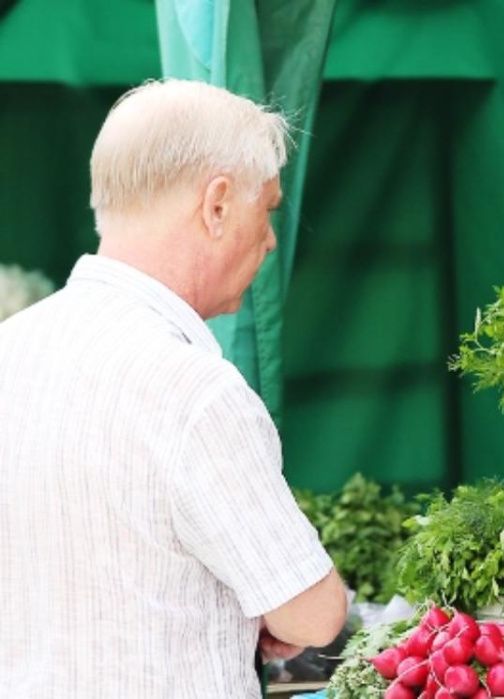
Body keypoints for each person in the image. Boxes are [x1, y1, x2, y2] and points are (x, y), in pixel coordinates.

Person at [0, 79, 347, 697]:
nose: (270, 238)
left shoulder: (10, 349)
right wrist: (269, 605)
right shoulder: (195, 390)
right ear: (216, 205)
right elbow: (313, 616)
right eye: (266, 209)